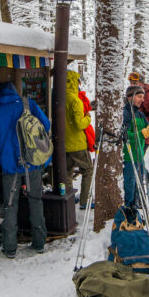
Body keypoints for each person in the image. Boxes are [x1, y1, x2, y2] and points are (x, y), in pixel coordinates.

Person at [0, 81, 51, 258]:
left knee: (10, 206)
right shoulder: (29, 104)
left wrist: (3, 149)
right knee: (35, 201)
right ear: (16, 92)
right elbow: (46, 125)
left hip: (9, 167)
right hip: (32, 163)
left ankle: (10, 247)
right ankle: (38, 242)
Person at [64, 70, 94, 209]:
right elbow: (79, 124)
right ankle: (84, 201)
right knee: (88, 170)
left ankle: (69, 198)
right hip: (77, 143)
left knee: (67, 172)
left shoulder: (59, 97)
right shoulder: (75, 100)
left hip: (64, 143)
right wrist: (88, 118)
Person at [121, 85, 149, 209]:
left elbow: (148, 130)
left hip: (139, 154)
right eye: (139, 96)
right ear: (130, 97)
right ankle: (129, 207)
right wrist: (142, 133)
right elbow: (125, 135)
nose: (142, 100)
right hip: (129, 156)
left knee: (139, 181)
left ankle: (137, 203)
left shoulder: (140, 114)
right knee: (130, 184)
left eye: (143, 97)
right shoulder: (125, 113)